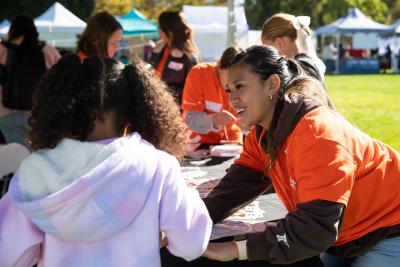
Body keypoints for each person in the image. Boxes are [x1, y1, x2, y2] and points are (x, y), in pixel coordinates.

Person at [0, 55, 212, 267]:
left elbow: (9, 257)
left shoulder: (35, 171)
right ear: (134, 111)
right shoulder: (158, 165)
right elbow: (191, 244)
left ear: (63, 109)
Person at [201, 45, 400, 266]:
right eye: (229, 90)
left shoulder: (317, 134)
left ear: (272, 85)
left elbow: (314, 229)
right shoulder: (262, 135)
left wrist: (235, 249)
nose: (232, 99)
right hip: (344, 236)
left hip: (389, 230)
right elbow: (232, 190)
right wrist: (186, 222)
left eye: (240, 87)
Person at [0, 14, 60, 147]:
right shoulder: (47, 51)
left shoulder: (2, 50)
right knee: (38, 154)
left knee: (14, 155)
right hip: (37, 114)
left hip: (5, 115)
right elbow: (64, 76)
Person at [181, 46, 242, 145]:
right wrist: (215, 119)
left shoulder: (249, 80)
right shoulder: (199, 73)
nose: (232, 92)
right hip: (199, 143)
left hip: (232, 143)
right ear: (219, 66)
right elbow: (190, 119)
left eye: (238, 85)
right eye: (228, 85)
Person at [149, 11, 200, 104]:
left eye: (159, 27)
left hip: (175, 111)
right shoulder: (159, 50)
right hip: (157, 107)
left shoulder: (189, 58)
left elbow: (193, 92)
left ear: (169, 32)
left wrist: (163, 94)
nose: (158, 29)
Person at [261, 13, 326, 79]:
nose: (268, 56)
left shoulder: (294, 74)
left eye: (268, 49)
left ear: (279, 43)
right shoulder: (309, 67)